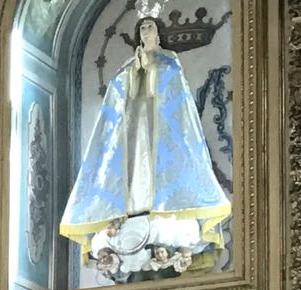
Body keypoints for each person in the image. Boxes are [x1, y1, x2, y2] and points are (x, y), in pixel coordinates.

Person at [60, 18, 229, 268]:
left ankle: (161, 209)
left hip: (160, 125)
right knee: (133, 166)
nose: (145, 30)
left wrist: (150, 69)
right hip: (135, 124)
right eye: (142, 27)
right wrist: (133, 72)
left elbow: (172, 88)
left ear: (158, 33)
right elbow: (118, 91)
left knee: (157, 165)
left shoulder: (168, 59)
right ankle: (132, 210)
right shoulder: (129, 64)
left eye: (150, 26)